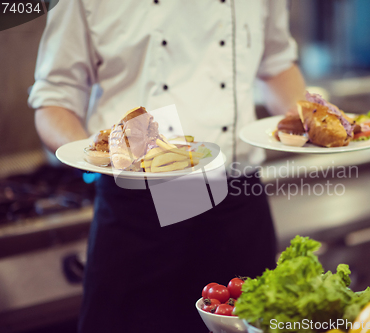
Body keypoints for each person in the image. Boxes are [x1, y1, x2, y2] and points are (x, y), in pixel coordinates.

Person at [29, 1, 306, 332]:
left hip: (237, 199)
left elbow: (277, 65)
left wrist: (313, 120)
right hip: (138, 209)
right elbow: (54, 99)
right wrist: (93, 154)